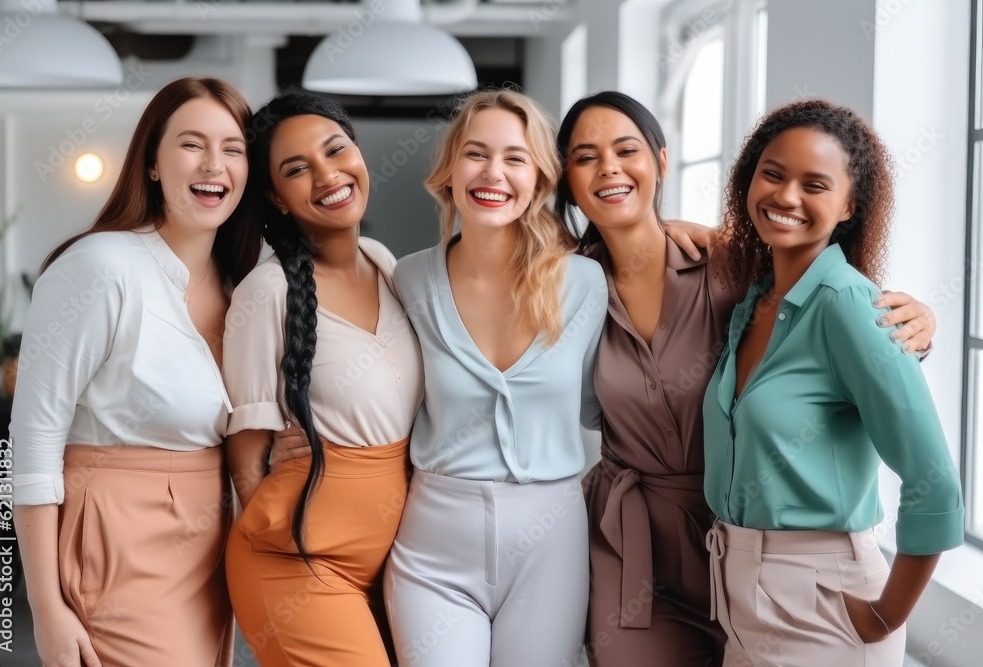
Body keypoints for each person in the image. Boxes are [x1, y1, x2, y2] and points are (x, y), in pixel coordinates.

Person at [554, 91, 939, 667]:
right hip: (632, 543)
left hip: (741, 540)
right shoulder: (564, 288)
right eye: (585, 157)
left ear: (660, 162)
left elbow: (829, 317)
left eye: (626, 149)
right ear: (566, 177)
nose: (608, 166)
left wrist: (920, 325)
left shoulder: (734, 267)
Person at [702, 99, 963, 666]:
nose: (786, 196)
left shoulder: (849, 305)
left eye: (814, 184)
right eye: (772, 174)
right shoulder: (753, 301)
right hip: (739, 602)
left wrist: (885, 614)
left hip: (823, 608)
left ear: (849, 206)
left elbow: (934, 482)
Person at [10, 77, 254, 667]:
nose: (214, 164)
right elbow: (32, 440)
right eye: (191, 144)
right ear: (150, 163)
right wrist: (44, 605)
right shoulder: (102, 267)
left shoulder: (246, 287)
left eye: (234, 147)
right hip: (119, 536)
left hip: (209, 542)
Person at [383, 89, 606, 667]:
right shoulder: (406, 280)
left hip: (551, 541)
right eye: (476, 153)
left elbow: (593, 405)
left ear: (539, 177)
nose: (494, 173)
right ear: (450, 169)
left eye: (516, 157)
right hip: (434, 543)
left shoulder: (584, 282)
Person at [221, 89, 424, 667]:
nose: (327, 175)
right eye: (297, 169)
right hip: (295, 563)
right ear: (276, 199)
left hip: (396, 557)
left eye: (336, 151)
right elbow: (246, 457)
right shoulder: (267, 293)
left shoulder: (386, 264)